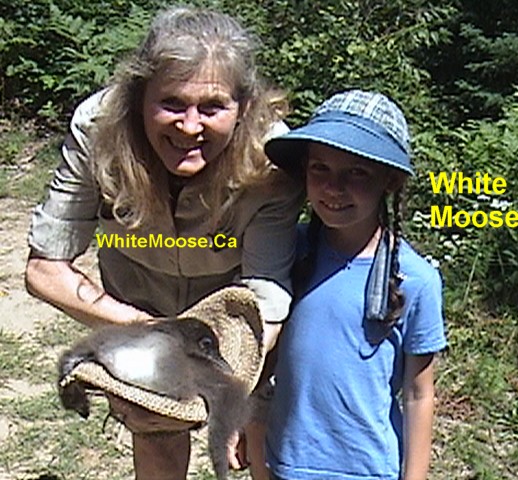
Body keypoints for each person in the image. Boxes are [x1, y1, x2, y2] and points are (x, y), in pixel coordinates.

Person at [25, 6, 302, 480]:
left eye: (212, 108)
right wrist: (146, 332)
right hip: (135, 306)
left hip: (232, 324)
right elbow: (44, 268)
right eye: (171, 103)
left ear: (244, 108)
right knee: (155, 433)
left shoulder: (272, 157)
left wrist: (229, 381)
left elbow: (267, 297)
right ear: (138, 97)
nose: (189, 126)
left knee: (260, 440)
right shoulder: (98, 128)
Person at [262, 90, 447, 480]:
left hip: (366, 470)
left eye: (357, 172)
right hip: (283, 461)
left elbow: (419, 393)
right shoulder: (285, 251)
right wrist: (248, 428)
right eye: (320, 169)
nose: (334, 187)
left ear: (390, 180)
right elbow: (264, 359)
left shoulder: (415, 280)